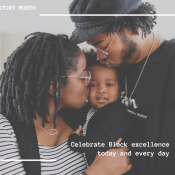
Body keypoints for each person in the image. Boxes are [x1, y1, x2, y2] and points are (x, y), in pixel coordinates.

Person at [0, 32, 132, 175]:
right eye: (83, 77)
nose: (88, 84)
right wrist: (98, 171)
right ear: (54, 85)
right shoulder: (5, 130)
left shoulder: (81, 117)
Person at [69, 0, 175, 175]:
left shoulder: (170, 64)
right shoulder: (111, 69)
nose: (101, 56)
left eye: (103, 46)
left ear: (134, 27)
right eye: (94, 48)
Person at [67, 55, 130, 166]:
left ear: (119, 88)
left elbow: (103, 142)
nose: (101, 90)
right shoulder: (91, 110)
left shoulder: (115, 113)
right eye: (93, 85)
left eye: (109, 84)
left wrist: (75, 141)